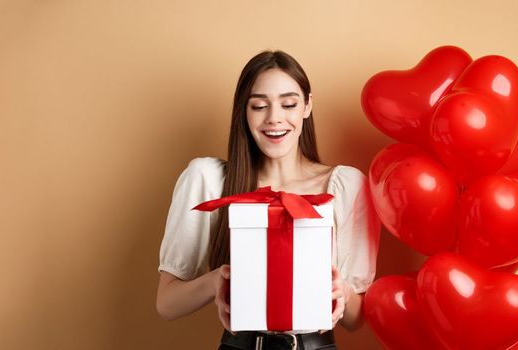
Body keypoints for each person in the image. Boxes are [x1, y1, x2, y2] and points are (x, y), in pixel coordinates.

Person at [155, 50, 380, 350]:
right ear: (243, 112)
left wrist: (344, 294)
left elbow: (355, 320)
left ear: (307, 106)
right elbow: (167, 303)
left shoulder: (345, 186)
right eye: (259, 105)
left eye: (289, 104)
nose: (274, 118)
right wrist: (215, 281)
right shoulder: (209, 180)